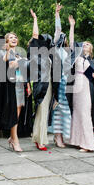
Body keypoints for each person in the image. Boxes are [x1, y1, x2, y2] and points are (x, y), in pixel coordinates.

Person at [68, 15, 94, 152]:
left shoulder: (93, 62)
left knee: (85, 113)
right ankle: (76, 140)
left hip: (86, 87)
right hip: (76, 86)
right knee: (77, 112)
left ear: (91, 49)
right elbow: (71, 41)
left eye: (87, 44)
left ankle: (88, 144)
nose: (84, 45)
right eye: (83, 44)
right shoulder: (78, 57)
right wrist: (72, 26)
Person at [29, 9, 53, 151]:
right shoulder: (36, 53)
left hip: (49, 85)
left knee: (44, 112)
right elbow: (35, 35)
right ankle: (40, 140)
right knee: (41, 111)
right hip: (41, 85)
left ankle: (39, 137)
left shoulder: (49, 56)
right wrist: (35, 19)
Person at [48, 3, 71, 148]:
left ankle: (62, 134)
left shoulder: (67, 52)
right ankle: (57, 136)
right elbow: (58, 29)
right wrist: (57, 14)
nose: (61, 37)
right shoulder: (55, 49)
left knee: (65, 109)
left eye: (63, 36)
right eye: (60, 36)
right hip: (57, 82)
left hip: (66, 82)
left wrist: (72, 27)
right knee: (57, 108)